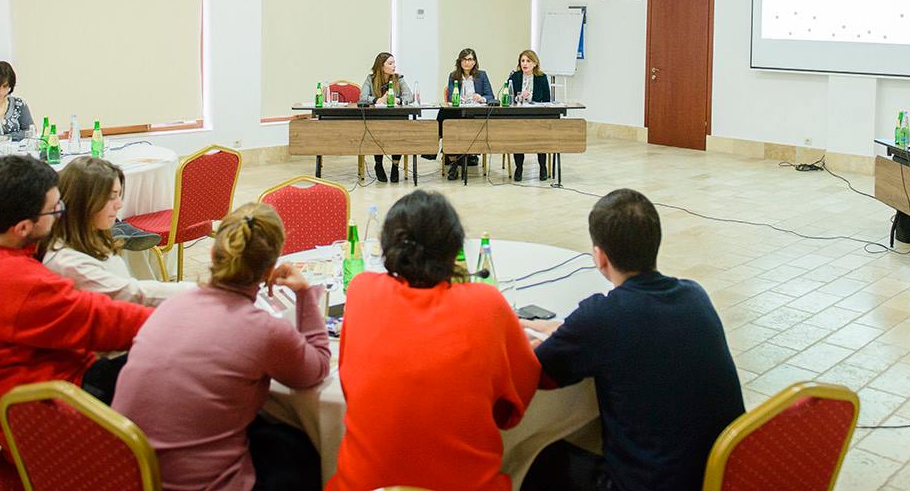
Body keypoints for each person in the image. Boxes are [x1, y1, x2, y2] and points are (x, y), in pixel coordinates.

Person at [520, 189, 744, 491]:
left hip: (648, 483)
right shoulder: (695, 295)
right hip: (719, 475)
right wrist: (558, 329)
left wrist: (520, 336)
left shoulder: (600, 317)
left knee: (534, 459)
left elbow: (535, 372)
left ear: (600, 257)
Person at [0, 155, 152, 446]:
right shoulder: (20, 281)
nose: (60, 214)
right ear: (23, 227)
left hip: (16, 395)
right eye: (55, 209)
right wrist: (185, 316)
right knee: (170, 364)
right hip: (45, 410)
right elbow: (110, 323)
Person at [329, 191, 539, 491]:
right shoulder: (486, 303)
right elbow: (514, 404)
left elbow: (351, 385)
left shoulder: (361, 291)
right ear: (454, 248)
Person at [114, 203, 328, 491]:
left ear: (213, 254)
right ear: (269, 271)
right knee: (305, 454)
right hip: (198, 485)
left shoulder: (173, 305)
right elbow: (316, 370)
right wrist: (305, 294)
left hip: (130, 475)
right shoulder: (262, 330)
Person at [41, 157, 194, 306]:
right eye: (111, 197)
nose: (119, 205)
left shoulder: (90, 238)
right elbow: (132, 294)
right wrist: (196, 291)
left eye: (119, 195)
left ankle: (125, 230)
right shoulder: (70, 264)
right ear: (84, 202)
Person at [360, 52, 414, 183]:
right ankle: (378, 164)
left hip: (397, 117)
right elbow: (362, 97)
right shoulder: (371, 79)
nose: (394, 66)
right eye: (390, 63)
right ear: (381, 66)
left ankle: (395, 166)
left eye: (394, 63)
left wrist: (398, 100)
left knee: (399, 135)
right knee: (377, 134)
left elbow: (409, 96)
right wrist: (377, 100)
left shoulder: (398, 78)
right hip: (377, 117)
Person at [443, 48, 496, 180]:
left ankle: (458, 156)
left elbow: (490, 96)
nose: (467, 62)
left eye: (470, 59)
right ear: (460, 61)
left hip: (475, 113)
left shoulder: (481, 75)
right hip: (458, 111)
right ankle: (454, 163)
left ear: (475, 61)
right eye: (464, 59)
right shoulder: (453, 75)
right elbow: (450, 97)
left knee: (459, 124)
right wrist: (458, 99)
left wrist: (481, 98)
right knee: (447, 120)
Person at [509, 49, 552, 181]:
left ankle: (543, 167)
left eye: (528, 61)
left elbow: (547, 100)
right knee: (517, 138)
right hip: (519, 115)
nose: (525, 64)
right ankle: (519, 168)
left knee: (541, 137)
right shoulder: (515, 77)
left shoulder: (542, 77)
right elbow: (508, 98)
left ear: (534, 63)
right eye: (522, 61)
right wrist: (519, 97)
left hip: (537, 115)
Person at [0, 60, 35, 141]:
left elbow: (30, 132)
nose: (1, 91)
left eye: (5, 86)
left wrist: (5, 138)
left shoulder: (18, 104)